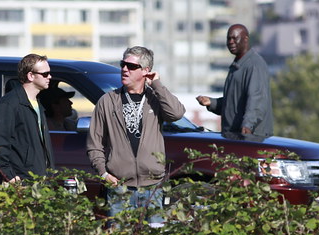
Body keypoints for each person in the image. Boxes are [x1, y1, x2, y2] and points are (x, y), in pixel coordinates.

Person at [87, 46, 185, 222]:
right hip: (119, 189)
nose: (124, 69)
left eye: (131, 66)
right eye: (123, 64)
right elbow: (94, 143)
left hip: (152, 188)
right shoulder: (108, 101)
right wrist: (103, 173)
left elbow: (176, 113)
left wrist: (156, 84)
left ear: (146, 71)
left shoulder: (155, 99)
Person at [0, 54, 55, 182]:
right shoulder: (10, 103)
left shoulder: (37, 104)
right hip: (22, 181)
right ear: (30, 76)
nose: (50, 77)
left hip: (40, 181)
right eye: (45, 74)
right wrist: (9, 176)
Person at [196, 23, 273, 139]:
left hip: (250, 139)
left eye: (234, 38)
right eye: (228, 39)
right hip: (233, 137)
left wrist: (248, 126)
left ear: (245, 39)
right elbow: (234, 104)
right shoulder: (237, 66)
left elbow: (257, 100)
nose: (230, 42)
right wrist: (212, 103)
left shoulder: (254, 65)